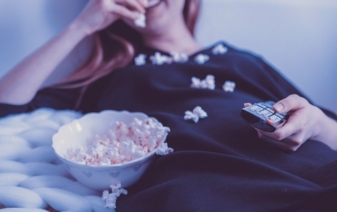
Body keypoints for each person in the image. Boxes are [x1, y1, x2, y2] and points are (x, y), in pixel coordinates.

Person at [0, 0, 337, 211]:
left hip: (311, 170)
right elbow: (6, 105)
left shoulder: (242, 61)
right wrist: (82, 26)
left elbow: (328, 130)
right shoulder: (113, 77)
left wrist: (317, 123)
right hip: (211, 190)